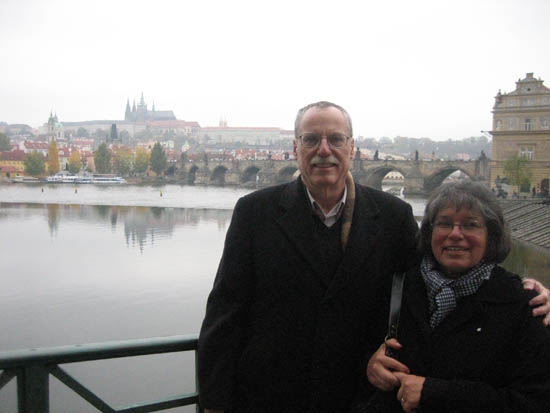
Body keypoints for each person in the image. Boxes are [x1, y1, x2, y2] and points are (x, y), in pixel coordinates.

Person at [198, 102, 550, 413]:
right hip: (268, 395)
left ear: (352, 148)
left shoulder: (393, 214)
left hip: (355, 391)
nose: (324, 149)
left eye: (336, 139)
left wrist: (523, 289)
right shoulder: (254, 211)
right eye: (311, 139)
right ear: (295, 148)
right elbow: (225, 313)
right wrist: (214, 402)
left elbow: (438, 271)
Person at [365, 181, 550, 412]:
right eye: (444, 224)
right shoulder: (398, 287)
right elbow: (352, 352)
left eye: (470, 225)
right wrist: (370, 365)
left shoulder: (525, 305)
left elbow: (535, 401)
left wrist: (435, 394)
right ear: (430, 232)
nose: (455, 234)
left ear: (491, 236)